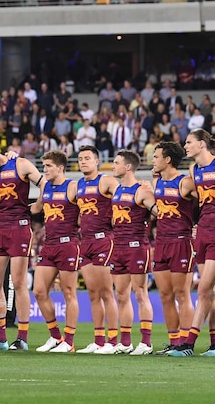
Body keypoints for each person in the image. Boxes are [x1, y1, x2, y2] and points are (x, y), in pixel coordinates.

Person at [0, 140, 45, 351]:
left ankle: (22, 338)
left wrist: (39, 205)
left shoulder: (20, 164)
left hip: (19, 228)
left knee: (19, 282)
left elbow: (43, 183)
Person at [170, 129, 215, 356]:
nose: (185, 146)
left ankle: (188, 343)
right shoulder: (194, 169)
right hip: (204, 231)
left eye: (189, 142)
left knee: (204, 288)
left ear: (201, 144)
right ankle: (214, 344)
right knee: (209, 292)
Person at [31, 151, 81, 353]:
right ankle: (55, 337)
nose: (45, 170)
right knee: (39, 291)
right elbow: (37, 207)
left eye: (49, 166)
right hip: (49, 244)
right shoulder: (45, 187)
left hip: (68, 244)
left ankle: (69, 342)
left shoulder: (73, 186)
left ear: (60, 167)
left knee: (69, 292)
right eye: (44, 166)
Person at [150, 141, 196, 354]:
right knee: (165, 295)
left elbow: (207, 200)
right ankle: (174, 341)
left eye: (156, 156)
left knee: (182, 294)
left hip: (181, 242)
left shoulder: (184, 182)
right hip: (161, 243)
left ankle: (186, 344)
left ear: (168, 159)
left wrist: (199, 224)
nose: (153, 159)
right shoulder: (157, 181)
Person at [75, 146, 121, 354]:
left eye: (87, 158)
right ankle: (99, 340)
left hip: (104, 240)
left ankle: (112, 340)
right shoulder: (78, 186)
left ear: (96, 161)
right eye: (80, 158)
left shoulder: (107, 181)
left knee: (106, 292)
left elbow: (124, 198)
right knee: (92, 293)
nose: (83, 161)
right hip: (86, 242)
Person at [110, 150, 156, 355]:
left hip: (137, 247)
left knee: (140, 293)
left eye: (116, 162)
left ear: (128, 167)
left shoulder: (142, 191)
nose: (113, 165)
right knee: (121, 294)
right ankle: (126, 342)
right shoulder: (117, 190)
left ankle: (146, 343)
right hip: (118, 246)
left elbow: (159, 212)